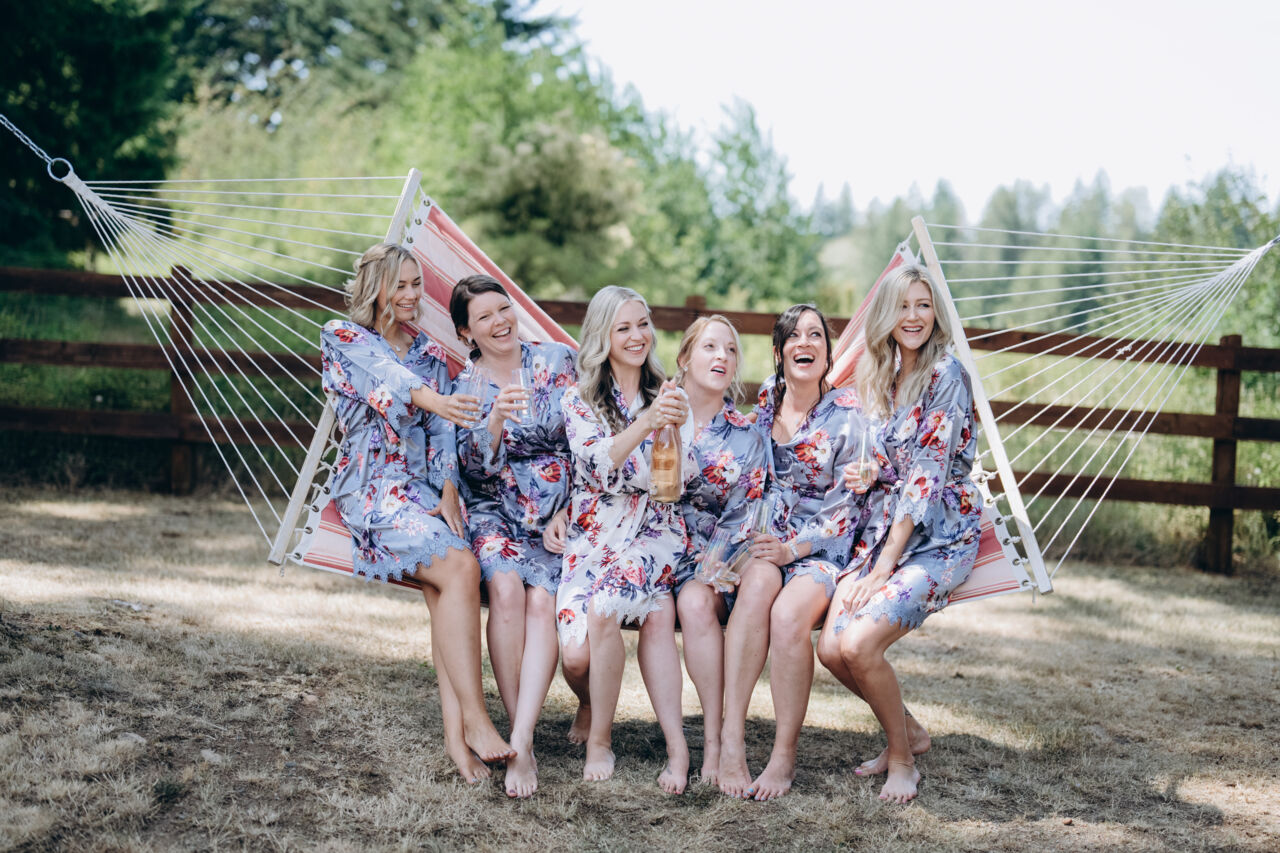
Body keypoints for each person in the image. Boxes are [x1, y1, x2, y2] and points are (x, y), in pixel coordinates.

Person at [319, 243, 513, 783]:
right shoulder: (343, 337)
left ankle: (458, 741)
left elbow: (443, 431)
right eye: (399, 285)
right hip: (372, 487)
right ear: (375, 288)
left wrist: (449, 488)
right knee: (460, 568)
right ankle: (476, 720)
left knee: (447, 590)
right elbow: (388, 379)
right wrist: (437, 400)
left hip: (424, 489)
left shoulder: (427, 350)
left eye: (415, 284)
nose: (411, 294)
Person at [816, 263, 982, 804]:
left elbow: (926, 477)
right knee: (831, 650)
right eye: (903, 306)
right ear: (886, 314)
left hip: (938, 537)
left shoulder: (946, 376)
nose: (913, 317)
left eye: (923, 305)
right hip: (886, 530)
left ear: (936, 314)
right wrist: (869, 473)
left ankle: (903, 761)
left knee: (859, 645)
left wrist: (883, 567)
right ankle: (906, 731)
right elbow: (892, 464)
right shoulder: (884, 375)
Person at [551, 285, 694, 792]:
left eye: (643, 324)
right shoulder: (577, 400)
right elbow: (596, 463)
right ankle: (591, 702)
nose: (637, 336)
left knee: (604, 607)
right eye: (623, 327)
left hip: (653, 531)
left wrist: (671, 431)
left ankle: (601, 741)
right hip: (593, 534)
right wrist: (646, 423)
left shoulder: (669, 394)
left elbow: (676, 480)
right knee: (574, 656)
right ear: (602, 336)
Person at [449, 274, 577, 798]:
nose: (500, 321)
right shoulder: (465, 387)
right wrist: (496, 420)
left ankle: (521, 739)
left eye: (503, 309)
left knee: (542, 602)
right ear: (466, 332)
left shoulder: (557, 361)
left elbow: (589, 440)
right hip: (495, 510)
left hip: (558, 512)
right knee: (504, 589)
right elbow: (473, 471)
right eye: (484, 317)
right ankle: (518, 729)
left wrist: (570, 506)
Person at [737, 303, 871, 801]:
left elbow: (845, 512)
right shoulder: (766, 400)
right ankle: (728, 739)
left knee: (789, 617)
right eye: (794, 336)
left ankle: (783, 756)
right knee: (724, 595)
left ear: (828, 354)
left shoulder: (847, 414)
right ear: (779, 352)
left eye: (816, 335)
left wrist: (790, 548)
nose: (805, 343)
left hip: (820, 549)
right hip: (764, 544)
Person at [668, 315, 770, 787]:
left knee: (694, 601)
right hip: (651, 551)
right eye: (710, 347)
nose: (722, 357)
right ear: (685, 357)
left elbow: (743, 516)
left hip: (715, 561)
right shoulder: (656, 415)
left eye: (730, 350)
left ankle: (716, 742)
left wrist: (707, 569)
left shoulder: (747, 435)